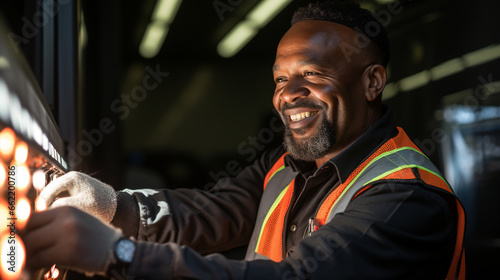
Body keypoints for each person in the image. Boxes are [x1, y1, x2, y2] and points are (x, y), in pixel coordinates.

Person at [23, 1, 465, 279]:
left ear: (372, 82)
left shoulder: (406, 196)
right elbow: (209, 213)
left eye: (312, 75)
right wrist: (109, 205)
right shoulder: (288, 164)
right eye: (281, 79)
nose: (288, 95)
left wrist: (117, 253)